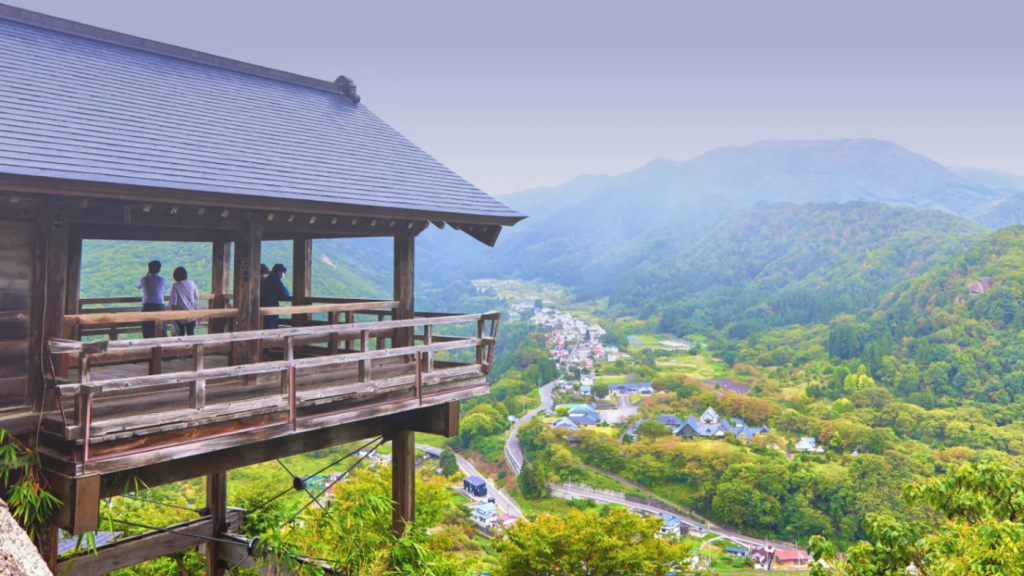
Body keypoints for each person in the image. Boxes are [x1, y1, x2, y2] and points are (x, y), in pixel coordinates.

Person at [137, 260, 166, 338]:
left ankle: (148, 344)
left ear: (149, 269)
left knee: (147, 328)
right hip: (160, 306)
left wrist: (147, 274)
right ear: (159, 269)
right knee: (161, 327)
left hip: (148, 306)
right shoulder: (162, 280)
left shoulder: (143, 279)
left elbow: (138, 286)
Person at [169, 266, 200, 336]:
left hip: (180, 314)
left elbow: (173, 301)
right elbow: (196, 297)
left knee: (180, 334)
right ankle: (192, 346)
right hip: (191, 314)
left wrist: (172, 315)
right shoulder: (192, 283)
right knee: (190, 334)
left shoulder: (175, 286)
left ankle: (181, 346)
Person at [260, 263, 290, 329]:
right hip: (271, 309)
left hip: (263, 307)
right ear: (280, 272)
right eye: (282, 272)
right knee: (271, 328)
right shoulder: (276, 281)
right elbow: (285, 293)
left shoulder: (267, 279)